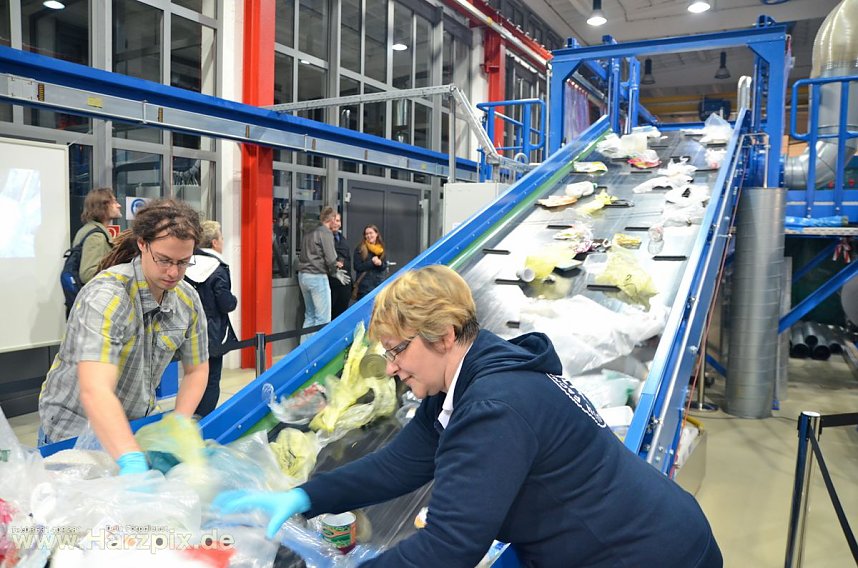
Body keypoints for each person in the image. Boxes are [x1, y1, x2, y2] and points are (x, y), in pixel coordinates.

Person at [215, 265, 722, 567]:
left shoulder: (495, 407)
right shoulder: (466, 381)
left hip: (649, 553)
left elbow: (450, 545)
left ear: (442, 335)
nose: (390, 368)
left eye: (396, 351)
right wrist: (303, 495)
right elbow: (400, 465)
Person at [38, 199, 209, 476]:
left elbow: (197, 369)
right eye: (164, 260)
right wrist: (130, 458)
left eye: (183, 262)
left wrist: (179, 423)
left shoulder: (187, 299)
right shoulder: (107, 296)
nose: (174, 272)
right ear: (142, 244)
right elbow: (96, 389)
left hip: (135, 425)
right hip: (74, 431)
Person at [184, 220, 238, 417]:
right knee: (212, 378)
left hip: (189, 330)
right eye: (222, 238)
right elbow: (226, 303)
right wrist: (234, 300)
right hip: (213, 332)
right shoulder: (218, 268)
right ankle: (205, 422)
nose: (223, 241)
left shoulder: (186, 262)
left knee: (191, 375)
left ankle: (188, 417)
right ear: (215, 242)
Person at [296, 206, 340, 342]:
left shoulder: (309, 232)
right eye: (336, 220)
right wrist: (335, 272)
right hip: (317, 276)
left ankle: (304, 352)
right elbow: (331, 258)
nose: (337, 223)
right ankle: (316, 354)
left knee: (309, 316)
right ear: (331, 219)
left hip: (303, 275)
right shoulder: (325, 232)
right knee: (323, 319)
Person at [75, 187, 122, 285]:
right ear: (103, 206)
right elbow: (88, 275)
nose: (119, 205)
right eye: (114, 202)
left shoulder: (88, 229)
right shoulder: (97, 236)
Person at [352, 224, 386, 301]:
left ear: (376, 234)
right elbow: (357, 266)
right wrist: (371, 263)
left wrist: (380, 264)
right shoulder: (360, 248)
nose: (368, 235)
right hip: (365, 288)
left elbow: (384, 266)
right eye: (366, 234)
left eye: (371, 233)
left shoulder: (381, 248)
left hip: (379, 285)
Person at [329, 212, 352, 319]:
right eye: (333, 220)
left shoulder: (343, 239)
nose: (336, 223)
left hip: (345, 285)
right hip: (331, 283)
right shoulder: (325, 238)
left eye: (338, 221)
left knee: (342, 315)